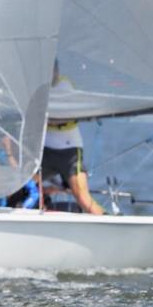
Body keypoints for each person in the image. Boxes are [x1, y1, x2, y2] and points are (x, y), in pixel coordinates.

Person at [41, 60, 105, 215]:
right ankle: (43, 205)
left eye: (53, 71)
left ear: (57, 71)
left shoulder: (65, 88)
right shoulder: (40, 88)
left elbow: (66, 116)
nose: (52, 74)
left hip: (68, 150)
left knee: (82, 197)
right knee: (27, 184)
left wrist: (46, 118)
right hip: (45, 150)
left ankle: (109, 222)